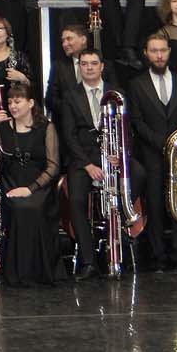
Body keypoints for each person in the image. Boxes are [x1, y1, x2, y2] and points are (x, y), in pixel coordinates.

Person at [126, 33, 177, 271]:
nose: (159, 55)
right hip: (150, 153)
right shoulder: (136, 84)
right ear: (146, 53)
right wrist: (162, 143)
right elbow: (136, 121)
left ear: (169, 52)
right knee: (154, 205)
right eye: (154, 51)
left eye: (163, 50)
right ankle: (158, 258)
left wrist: (175, 143)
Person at [56, 48, 117, 275]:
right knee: (76, 201)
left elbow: (127, 128)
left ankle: (119, 241)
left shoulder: (116, 93)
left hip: (112, 156)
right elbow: (69, 135)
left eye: (93, 63)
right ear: (79, 67)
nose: (89, 68)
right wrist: (88, 165)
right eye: (84, 64)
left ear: (102, 66)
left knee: (139, 176)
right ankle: (89, 261)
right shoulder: (70, 95)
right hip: (82, 159)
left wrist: (118, 156)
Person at [0, 82, 61, 287]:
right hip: (10, 183)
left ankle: (35, 273)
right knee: (18, 207)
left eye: (18, 101)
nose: (13, 106)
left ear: (30, 103)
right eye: (10, 102)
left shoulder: (46, 127)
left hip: (38, 185)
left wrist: (30, 189)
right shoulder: (2, 128)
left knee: (32, 207)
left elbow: (53, 166)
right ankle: (17, 273)